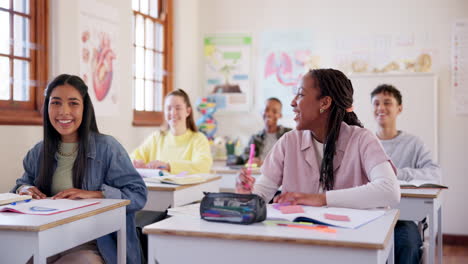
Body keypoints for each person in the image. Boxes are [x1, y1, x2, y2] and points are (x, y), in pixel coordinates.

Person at [12, 74, 147, 264]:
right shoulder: (39, 151)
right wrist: (23, 189)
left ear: (85, 108)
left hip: (97, 244)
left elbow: (138, 195)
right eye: (56, 103)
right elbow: (21, 185)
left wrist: (97, 194)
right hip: (49, 239)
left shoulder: (107, 147)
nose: (63, 111)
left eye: (73, 103)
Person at [236, 68, 400, 210]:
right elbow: (260, 196)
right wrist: (247, 195)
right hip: (302, 237)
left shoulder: (361, 139)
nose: (293, 103)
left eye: (300, 94)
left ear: (324, 103)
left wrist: (320, 199)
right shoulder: (288, 142)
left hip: (352, 240)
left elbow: (390, 191)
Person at [371, 84, 441, 264]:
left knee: (407, 244)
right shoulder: (366, 142)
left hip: (404, 217)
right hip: (370, 214)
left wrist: (397, 174)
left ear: (399, 108)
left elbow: (434, 174)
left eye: (387, 103)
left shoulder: (414, 143)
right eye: (376, 103)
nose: (381, 108)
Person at [131, 89, 213, 174]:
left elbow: (203, 166)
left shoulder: (199, 139)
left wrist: (168, 166)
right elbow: (132, 157)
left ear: (188, 111)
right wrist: (136, 163)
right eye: (169, 108)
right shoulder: (156, 137)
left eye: (178, 108)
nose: (173, 113)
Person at [241, 97, 291, 166]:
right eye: (266, 110)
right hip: (259, 173)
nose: (269, 114)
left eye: (274, 111)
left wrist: (264, 163)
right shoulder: (255, 138)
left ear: (280, 115)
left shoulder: (288, 134)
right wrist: (249, 159)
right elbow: (245, 155)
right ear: (262, 112)